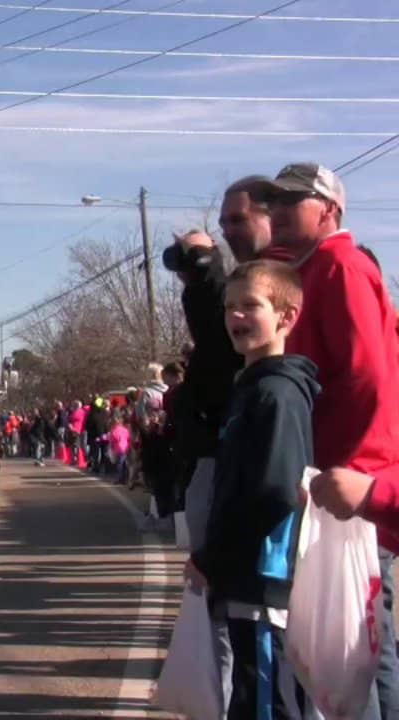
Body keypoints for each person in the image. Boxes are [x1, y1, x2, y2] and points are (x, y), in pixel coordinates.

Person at [252, 163, 399, 717]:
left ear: (329, 211)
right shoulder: (308, 270)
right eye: (274, 203)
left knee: (361, 641)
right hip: (329, 483)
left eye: (294, 202)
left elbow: (368, 380)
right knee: (341, 640)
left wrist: (352, 474)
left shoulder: (343, 267)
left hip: (354, 484)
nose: (279, 214)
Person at [186, 260, 316, 718]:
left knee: (267, 704)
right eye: (229, 307)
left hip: (261, 581)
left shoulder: (276, 394)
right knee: (248, 697)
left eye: (250, 306)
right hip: (242, 581)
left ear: (286, 317)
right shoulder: (249, 388)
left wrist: (212, 558)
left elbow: (275, 492)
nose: (236, 317)